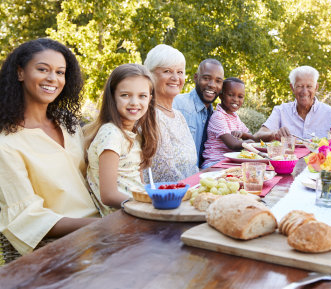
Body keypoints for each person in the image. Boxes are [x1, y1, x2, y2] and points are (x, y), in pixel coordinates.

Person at [0, 38, 100, 256]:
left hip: (102, 234)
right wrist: (99, 226)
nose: (53, 79)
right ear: (20, 73)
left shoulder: (69, 124)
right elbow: (28, 218)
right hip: (60, 248)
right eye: (43, 69)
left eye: (60, 72)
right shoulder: (7, 144)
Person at [84, 64, 158, 216]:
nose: (134, 102)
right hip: (123, 217)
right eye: (125, 95)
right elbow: (109, 195)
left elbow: (139, 184)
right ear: (112, 97)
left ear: (150, 98)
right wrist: (146, 207)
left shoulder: (134, 135)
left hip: (139, 210)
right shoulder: (111, 134)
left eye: (142, 96)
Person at [144, 44, 198, 182]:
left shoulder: (178, 115)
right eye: (167, 71)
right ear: (150, 75)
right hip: (168, 198)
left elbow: (192, 166)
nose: (175, 78)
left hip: (188, 191)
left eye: (180, 72)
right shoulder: (151, 116)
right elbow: (166, 174)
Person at [254, 66, 331, 140]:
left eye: (309, 86)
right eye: (300, 86)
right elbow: (257, 136)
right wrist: (274, 134)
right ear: (292, 88)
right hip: (288, 160)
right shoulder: (281, 111)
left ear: (316, 87)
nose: (304, 91)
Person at [173, 59, 224, 168]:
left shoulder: (215, 115)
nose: (212, 85)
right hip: (179, 181)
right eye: (206, 78)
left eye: (218, 81)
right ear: (196, 78)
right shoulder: (178, 104)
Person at [202, 78, 255, 167]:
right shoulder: (218, 116)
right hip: (215, 162)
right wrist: (251, 142)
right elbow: (233, 145)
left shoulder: (235, 117)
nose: (235, 99)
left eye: (240, 96)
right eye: (230, 95)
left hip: (229, 162)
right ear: (221, 95)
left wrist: (242, 134)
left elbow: (250, 135)